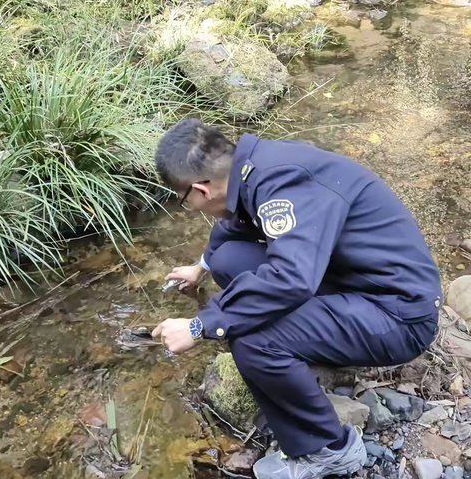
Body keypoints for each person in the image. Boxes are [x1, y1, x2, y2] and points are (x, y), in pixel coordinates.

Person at [151, 119, 441, 479]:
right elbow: (233, 225)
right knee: (229, 261)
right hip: (352, 281)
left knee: (252, 337)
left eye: (185, 202)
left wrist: (199, 326)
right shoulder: (256, 167)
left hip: (397, 316)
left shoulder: (286, 183)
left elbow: (290, 279)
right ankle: (304, 348)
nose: (191, 208)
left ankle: (328, 450)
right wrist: (201, 266)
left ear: (201, 190)